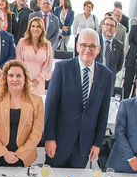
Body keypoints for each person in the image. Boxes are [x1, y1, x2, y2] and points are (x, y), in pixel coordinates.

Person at [44, 29, 115, 168]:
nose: (87, 50)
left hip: (84, 146)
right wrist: (49, 138)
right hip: (59, 142)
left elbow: (103, 112)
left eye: (92, 46)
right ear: (77, 46)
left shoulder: (106, 75)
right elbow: (51, 106)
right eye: (83, 45)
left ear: (99, 49)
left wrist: (97, 143)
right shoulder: (62, 68)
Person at [0, 60, 44, 167]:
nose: (15, 79)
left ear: (25, 78)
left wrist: (19, 155)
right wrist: (4, 153)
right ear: (5, 78)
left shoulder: (37, 101)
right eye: (11, 75)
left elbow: (36, 134)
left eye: (19, 75)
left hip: (22, 158)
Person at [15, 16, 54, 95]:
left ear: (42, 29)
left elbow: (48, 66)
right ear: (29, 28)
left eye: (38, 26)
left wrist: (36, 81)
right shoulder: (22, 42)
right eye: (33, 26)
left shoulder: (47, 45)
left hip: (39, 83)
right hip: (23, 81)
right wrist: (24, 80)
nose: (35, 29)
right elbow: (18, 62)